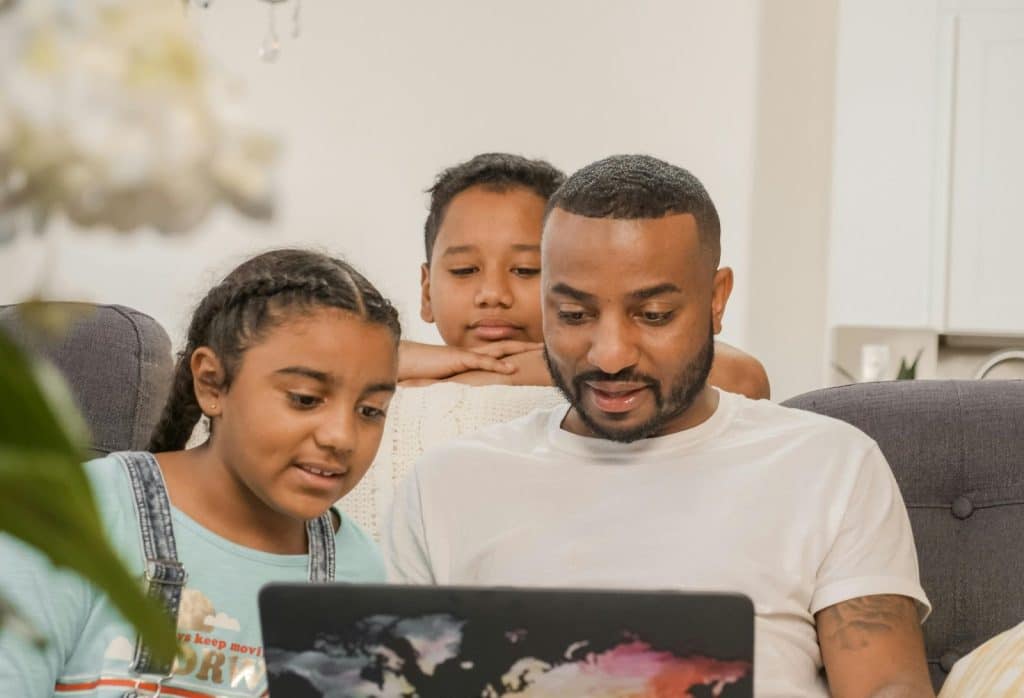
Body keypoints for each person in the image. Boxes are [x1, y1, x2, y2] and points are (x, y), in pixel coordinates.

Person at [384, 155, 934, 697]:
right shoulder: (444, 484)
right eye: (574, 316)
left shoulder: (830, 463)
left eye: (653, 316)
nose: (611, 355)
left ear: (716, 300)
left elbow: (887, 685)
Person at [0, 249, 400, 697]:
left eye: (370, 410)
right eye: (305, 398)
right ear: (212, 384)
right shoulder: (77, 515)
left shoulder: (357, 570)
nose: (342, 437)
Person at [341, 153, 769, 538]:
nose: (493, 293)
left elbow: (741, 374)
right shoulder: (391, 382)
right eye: (465, 269)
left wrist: (486, 371)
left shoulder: (616, 372)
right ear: (427, 289)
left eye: (527, 270)